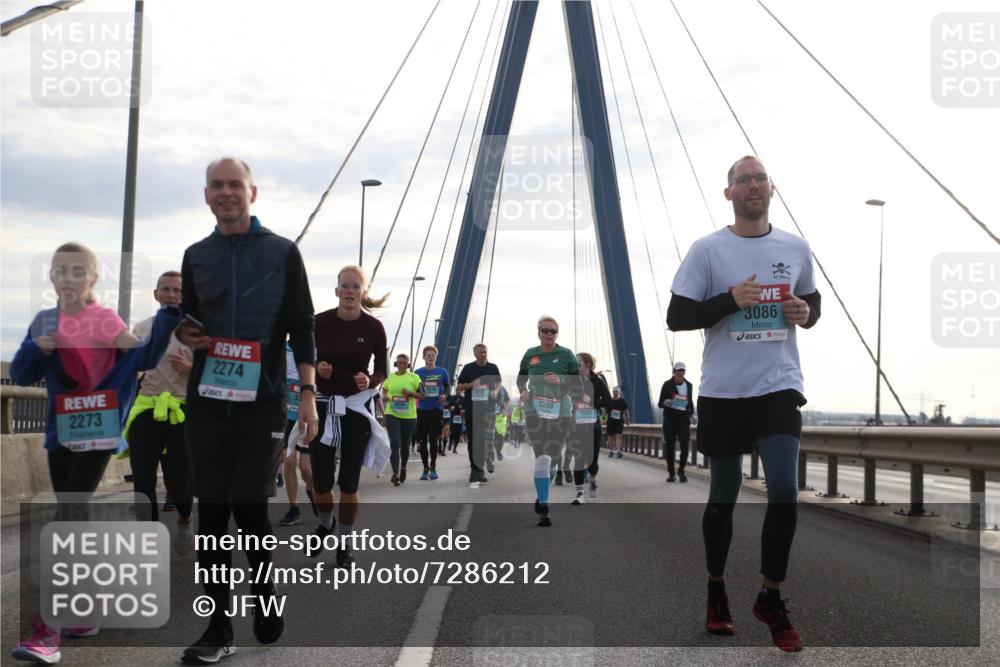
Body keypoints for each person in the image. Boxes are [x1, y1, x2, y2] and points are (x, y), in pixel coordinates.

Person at [667, 155, 821, 652]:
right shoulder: (707, 250)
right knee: (724, 494)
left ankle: (770, 598)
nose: (753, 185)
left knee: (784, 490)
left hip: (778, 386)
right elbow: (677, 316)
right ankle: (716, 591)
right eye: (743, 180)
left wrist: (804, 312)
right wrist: (731, 300)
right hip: (724, 392)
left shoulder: (795, 247)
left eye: (760, 179)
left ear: (771, 189)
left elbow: (812, 303)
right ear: (728, 192)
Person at [176, 158, 318, 663]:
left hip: (262, 403)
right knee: (213, 514)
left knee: (251, 508)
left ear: (251, 193)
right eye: (216, 185)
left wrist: (307, 393)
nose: (226, 192)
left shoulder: (283, 252)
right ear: (206, 195)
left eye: (234, 184)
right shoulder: (196, 256)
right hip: (208, 401)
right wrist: (187, 332)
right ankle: (218, 628)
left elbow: (302, 326)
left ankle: (264, 596)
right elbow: (189, 321)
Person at [10, 242, 181, 664]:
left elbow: (143, 356)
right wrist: (36, 349)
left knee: (66, 515)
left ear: (92, 278)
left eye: (76, 271)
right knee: (75, 516)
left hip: (100, 430)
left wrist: (167, 318)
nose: (67, 278)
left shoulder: (104, 320)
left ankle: (49, 628)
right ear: (51, 276)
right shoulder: (44, 320)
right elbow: (20, 374)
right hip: (61, 432)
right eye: (60, 270)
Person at [306, 264, 389, 565]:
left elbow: (382, 370)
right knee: (321, 481)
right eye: (345, 285)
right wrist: (318, 367)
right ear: (336, 290)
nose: (350, 291)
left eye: (356, 286)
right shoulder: (319, 322)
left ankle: (345, 543)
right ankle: (325, 522)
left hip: (355, 406)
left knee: (349, 482)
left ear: (363, 292)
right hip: (323, 405)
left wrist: (370, 380)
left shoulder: (374, 328)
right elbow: (305, 358)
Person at [122, 270, 194, 549]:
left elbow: (213, 374)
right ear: (156, 294)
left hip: (181, 410)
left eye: (177, 290)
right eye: (166, 289)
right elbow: (128, 365)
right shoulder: (142, 329)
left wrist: (191, 367)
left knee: (179, 482)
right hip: (147, 407)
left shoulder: (198, 331)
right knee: (142, 478)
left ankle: (185, 519)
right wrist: (134, 371)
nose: (171, 294)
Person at [516, 316, 580, 527]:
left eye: (553, 331)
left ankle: (542, 493)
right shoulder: (530, 354)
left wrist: (561, 380)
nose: (549, 334)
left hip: (561, 412)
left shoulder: (566, 355)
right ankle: (544, 507)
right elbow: (521, 379)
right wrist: (523, 391)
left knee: (552, 458)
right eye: (545, 330)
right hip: (534, 411)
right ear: (539, 332)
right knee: (542, 457)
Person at [279, 343, 317, 526]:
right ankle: (294, 508)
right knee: (289, 461)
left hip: (307, 417)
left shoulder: (314, 350)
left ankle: (312, 489)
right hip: (286, 416)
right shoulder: (282, 347)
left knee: (305, 468)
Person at [455, 344, 501, 483]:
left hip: (488, 409)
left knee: (484, 438)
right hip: (472, 409)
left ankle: (483, 463)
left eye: (485, 352)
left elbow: (498, 382)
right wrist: (471, 385)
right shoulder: (468, 368)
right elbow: (458, 387)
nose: (483, 354)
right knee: (473, 440)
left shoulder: (493, 368)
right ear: (475, 354)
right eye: (480, 352)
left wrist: (495, 391)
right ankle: (475, 469)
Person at [572, 353, 611, 502]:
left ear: (587, 365)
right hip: (576, 425)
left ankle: (593, 480)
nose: (575, 364)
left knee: (592, 461)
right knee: (579, 460)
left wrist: (592, 401)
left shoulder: (598, 381)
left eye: (578, 361)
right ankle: (579, 494)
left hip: (593, 426)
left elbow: (608, 402)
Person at [382, 353, 422, 485]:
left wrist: (410, 393)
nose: (401, 365)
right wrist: (386, 396)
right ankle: (395, 474)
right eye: (399, 362)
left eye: (404, 363)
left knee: (405, 444)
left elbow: (423, 395)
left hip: (409, 416)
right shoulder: (390, 377)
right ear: (396, 364)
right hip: (392, 414)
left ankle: (403, 468)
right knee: (395, 443)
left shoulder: (414, 377)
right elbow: (385, 389)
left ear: (408, 364)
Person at [414, 346, 449, 480]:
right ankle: (425, 468)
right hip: (422, 410)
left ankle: (433, 467)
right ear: (424, 357)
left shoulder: (442, 371)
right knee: (423, 441)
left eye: (433, 355)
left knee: (433, 439)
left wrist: (445, 395)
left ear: (436, 357)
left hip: (436, 409)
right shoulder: (417, 373)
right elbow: (415, 389)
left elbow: (447, 386)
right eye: (428, 355)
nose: (431, 357)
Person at [659, 361, 695, 482]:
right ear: (674, 371)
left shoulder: (689, 385)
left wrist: (692, 414)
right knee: (670, 447)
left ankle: (681, 471)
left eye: (682, 370)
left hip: (683, 421)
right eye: (678, 370)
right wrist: (666, 403)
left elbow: (690, 402)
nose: (680, 373)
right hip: (670, 420)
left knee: (685, 446)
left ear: (685, 372)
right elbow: (660, 403)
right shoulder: (667, 385)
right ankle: (671, 473)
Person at [606, 387, 630, 458]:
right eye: (614, 391)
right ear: (612, 392)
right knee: (610, 436)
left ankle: (618, 451)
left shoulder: (622, 401)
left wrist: (628, 419)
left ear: (619, 392)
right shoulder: (609, 400)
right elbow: (604, 410)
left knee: (619, 435)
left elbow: (626, 410)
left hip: (619, 421)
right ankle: (611, 451)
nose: (615, 392)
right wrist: (603, 419)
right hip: (610, 421)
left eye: (616, 391)